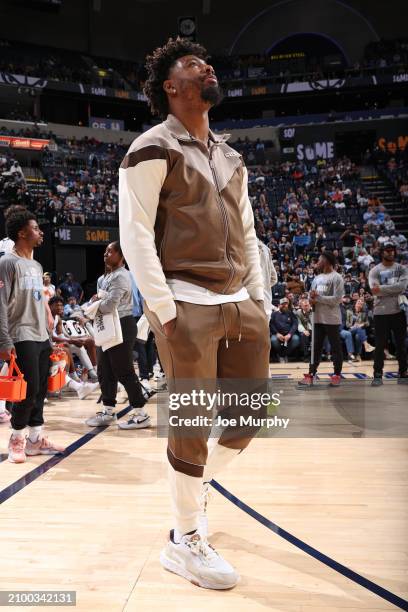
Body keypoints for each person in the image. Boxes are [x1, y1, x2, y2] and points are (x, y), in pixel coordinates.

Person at [119, 38, 270, 589]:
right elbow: (134, 233)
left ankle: (192, 488)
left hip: (239, 303)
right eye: (192, 64)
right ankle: (184, 539)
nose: (206, 67)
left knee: (249, 420)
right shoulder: (151, 147)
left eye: (206, 62)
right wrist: (164, 309)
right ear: (171, 87)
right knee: (189, 425)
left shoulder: (232, 156)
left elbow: (249, 234)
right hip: (185, 299)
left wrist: (260, 301)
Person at [0, 207, 65, 463]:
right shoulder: (6, 262)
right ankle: (17, 438)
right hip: (20, 333)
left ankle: (35, 440)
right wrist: (4, 340)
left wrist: (49, 327)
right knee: (27, 392)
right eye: (35, 228)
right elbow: (1, 304)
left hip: (40, 335)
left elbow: (39, 302)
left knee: (40, 391)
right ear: (21, 233)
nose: (40, 232)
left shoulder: (36, 265)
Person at [85, 241, 150, 428]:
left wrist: (95, 302)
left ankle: (141, 413)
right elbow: (99, 303)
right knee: (104, 370)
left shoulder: (122, 276)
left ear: (121, 256)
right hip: (106, 325)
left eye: (110, 251)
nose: (106, 254)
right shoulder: (103, 278)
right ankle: (108, 411)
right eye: (105, 251)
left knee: (124, 371)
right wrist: (96, 302)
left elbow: (107, 306)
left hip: (122, 324)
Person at [300, 251, 344, 386]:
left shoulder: (337, 278)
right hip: (317, 318)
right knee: (316, 348)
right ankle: (311, 374)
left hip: (332, 319)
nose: (317, 262)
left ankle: (337, 374)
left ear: (326, 260)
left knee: (335, 348)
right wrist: (311, 298)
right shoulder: (317, 278)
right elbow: (310, 297)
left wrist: (318, 298)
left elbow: (336, 300)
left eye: (319, 259)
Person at [368, 243, 408, 385]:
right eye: (388, 251)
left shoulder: (401, 268)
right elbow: (374, 290)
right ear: (382, 252)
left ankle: (403, 372)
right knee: (380, 345)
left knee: (401, 344)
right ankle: (377, 374)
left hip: (398, 311)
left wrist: (382, 289)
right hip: (380, 312)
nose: (390, 253)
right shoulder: (374, 270)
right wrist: (393, 289)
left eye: (392, 251)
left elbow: (402, 287)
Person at [270, 298, 300, 362]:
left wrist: (290, 334)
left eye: (286, 304)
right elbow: (271, 325)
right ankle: (281, 355)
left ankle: (282, 355)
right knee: (273, 340)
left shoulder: (291, 313)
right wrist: (277, 333)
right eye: (282, 304)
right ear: (279, 305)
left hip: (289, 334)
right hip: (277, 334)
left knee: (296, 339)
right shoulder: (274, 314)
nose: (284, 306)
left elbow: (295, 324)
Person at [258, 238, 277, 321]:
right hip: (266, 301)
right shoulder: (266, 249)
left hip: (247, 301)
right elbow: (274, 278)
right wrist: (264, 286)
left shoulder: (242, 245)